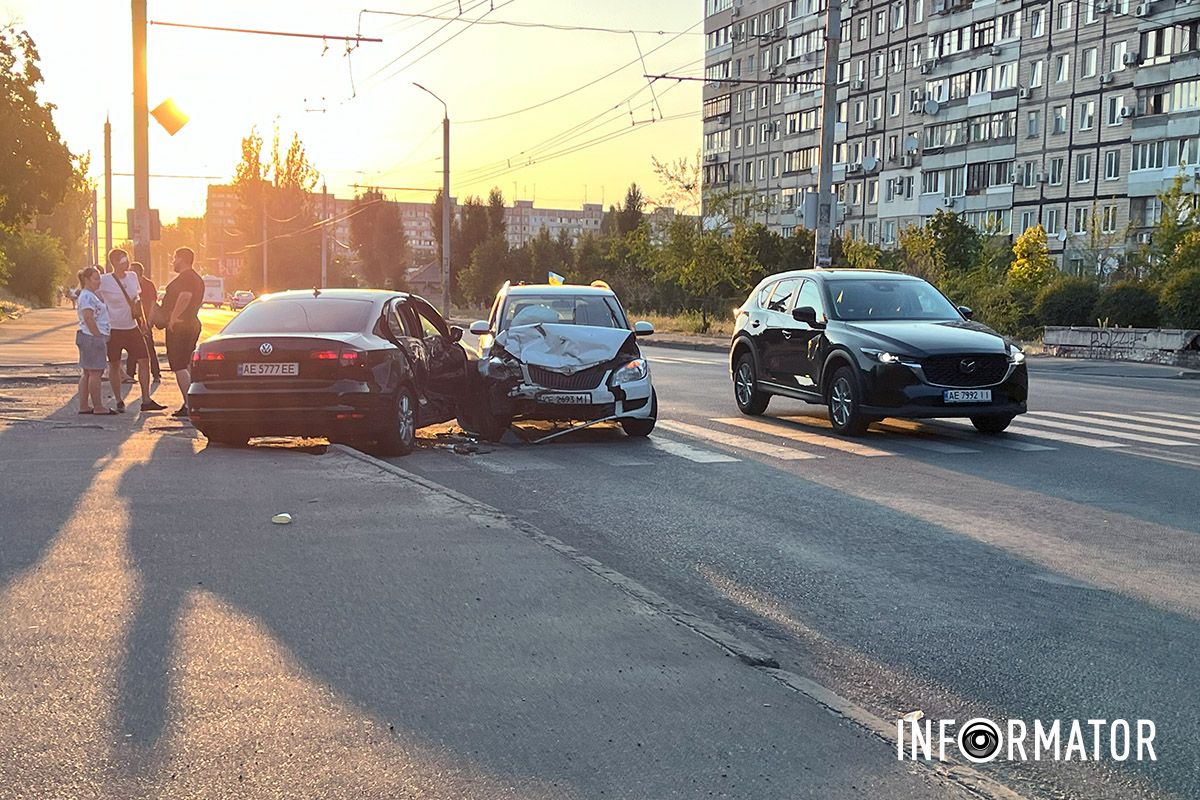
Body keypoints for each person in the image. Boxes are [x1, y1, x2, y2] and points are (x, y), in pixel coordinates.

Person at [96, 248, 166, 413]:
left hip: (132, 327)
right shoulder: (104, 280)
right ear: (114, 263)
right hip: (113, 329)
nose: (126, 263)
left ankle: (146, 399)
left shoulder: (133, 277)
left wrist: (143, 321)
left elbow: (136, 300)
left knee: (144, 360)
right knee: (114, 364)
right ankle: (119, 400)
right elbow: (92, 295)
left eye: (127, 259)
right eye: (122, 260)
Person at [161, 247, 205, 418]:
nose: (173, 261)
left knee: (179, 365)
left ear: (182, 259)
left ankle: (189, 404)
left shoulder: (187, 278)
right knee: (186, 364)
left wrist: (173, 317)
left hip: (181, 326)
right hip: (190, 323)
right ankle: (192, 401)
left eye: (175, 258)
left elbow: (185, 296)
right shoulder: (196, 278)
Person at [74, 267, 116, 415]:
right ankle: (98, 406)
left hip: (89, 336)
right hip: (91, 337)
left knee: (87, 372)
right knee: (95, 373)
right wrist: (98, 336)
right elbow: (88, 317)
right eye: (96, 279)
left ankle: (84, 405)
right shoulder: (87, 296)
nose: (99, 282)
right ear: (86, 280)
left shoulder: (90, 295)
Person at [125, 262, 161, 383]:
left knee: (149, 348)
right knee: (131, 347)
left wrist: (149, 321)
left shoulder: (148, 285)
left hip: (145, 321)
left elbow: (153, 304)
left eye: (132, 271)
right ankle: (130, 374)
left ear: (139, 272)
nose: (129, 273)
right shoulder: (129, 284)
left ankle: (156, 374)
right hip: (132, 320)